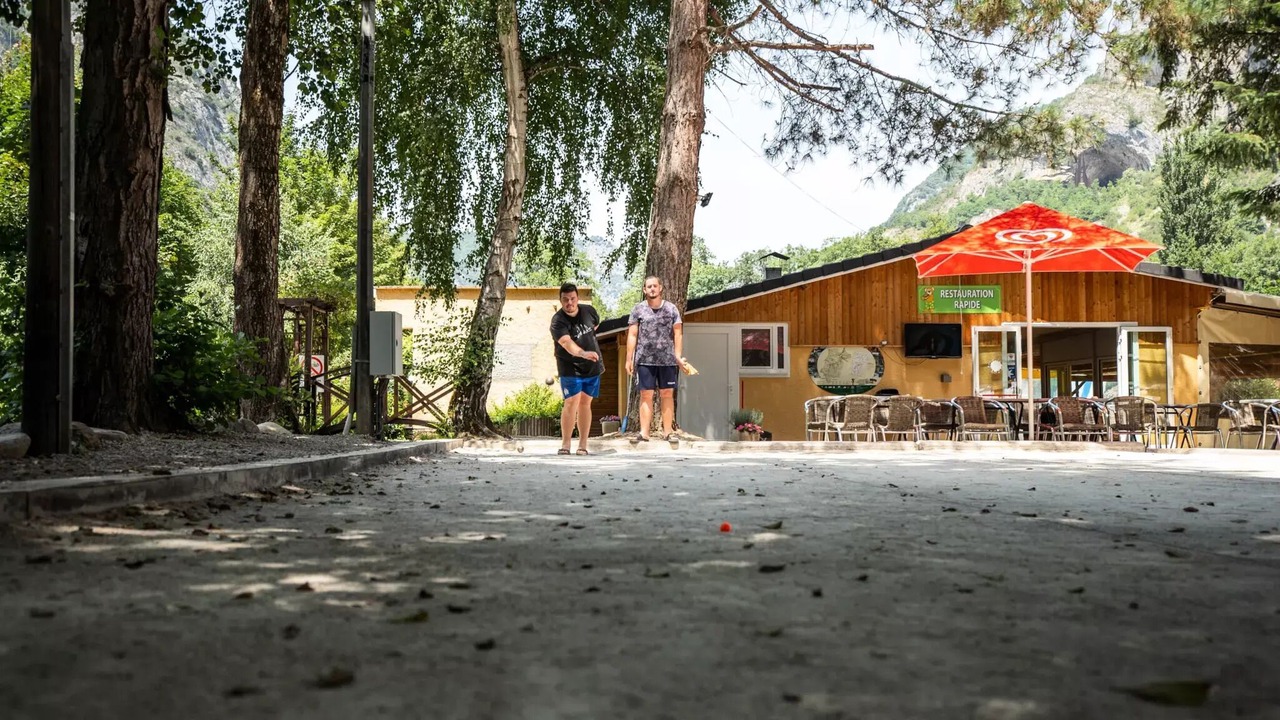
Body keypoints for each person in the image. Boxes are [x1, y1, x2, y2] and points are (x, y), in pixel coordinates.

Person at [625, 275, 683, 442]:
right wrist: (629, 358)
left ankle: (668, 432)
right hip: (644, 360)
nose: (652, 289)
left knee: (667, 394)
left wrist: (678, 356)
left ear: (660, 288)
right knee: (646, 395)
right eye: (648, 286)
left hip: (667, 360)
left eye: (654, 286)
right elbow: (632, 334)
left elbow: (678, 333)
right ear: (644, 290)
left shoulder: (671, 309)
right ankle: (644, 433)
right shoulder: (638, 309)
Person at [550, 282, 603, 455]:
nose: (569, 303)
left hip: (592, 366)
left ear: (577, 298)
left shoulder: (590, 312)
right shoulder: (558, 321)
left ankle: (583, 445)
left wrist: (590, 351)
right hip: (569, 366)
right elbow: (566, 343)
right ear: (560, 301)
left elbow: (595, 327)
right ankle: (565, 445)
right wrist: (582, 352)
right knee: (571, 401)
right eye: (565, 300)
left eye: (572, 298)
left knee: (585, 403)